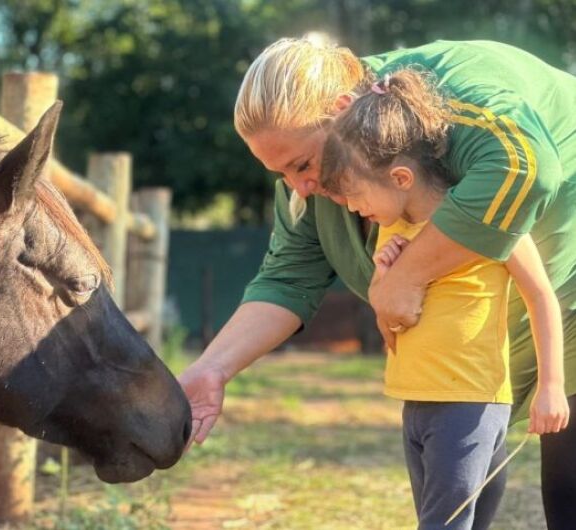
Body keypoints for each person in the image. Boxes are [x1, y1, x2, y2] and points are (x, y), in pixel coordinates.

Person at [178, 37, 576, 530]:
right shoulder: (317, 183)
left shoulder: (444, 102)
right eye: (281, 174)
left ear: (343, 110)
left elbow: (526, 168)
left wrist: (403, 279)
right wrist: (213, 368)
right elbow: (288, 278)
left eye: (302, 165)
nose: (300, 186)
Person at [317, 68, 569, 529]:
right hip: (416, 404)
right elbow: (389, 314)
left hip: (470, 405)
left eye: (354, 195)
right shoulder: (391, 229)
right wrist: (383, 275)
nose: (352, 209)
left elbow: (540, 296)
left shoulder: (489, 220)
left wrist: (551, 386)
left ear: (400, 177)